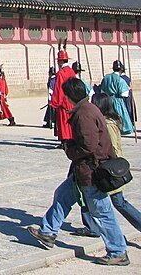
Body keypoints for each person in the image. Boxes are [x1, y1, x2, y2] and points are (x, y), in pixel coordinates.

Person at [27, 78, 129, 266]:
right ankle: (48, 231)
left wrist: (70, 151)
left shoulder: (84, 114)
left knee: (102, 212)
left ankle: (118, 250)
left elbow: (89, 145)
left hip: (91, 170)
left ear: (69, 96)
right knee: (62, 195)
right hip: (83, 170)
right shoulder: (88, 109)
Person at [76, 93, 141, 236]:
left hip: (110, 169)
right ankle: (92, 227)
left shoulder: (108, 124)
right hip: (109, 167)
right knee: (89, 198)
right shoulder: (112, 120)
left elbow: (109, 147)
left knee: (119, 202)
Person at [49, 45, 77, 144]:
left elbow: (59, 89)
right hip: (72, 101)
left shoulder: (61, 73)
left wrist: (55, 102)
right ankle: (72, 138)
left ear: (60, 61)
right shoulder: (72, 72)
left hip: (64, 101)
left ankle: (65, 141)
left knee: (64, 121)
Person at [99, 61, 134, 135]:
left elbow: (102, 91)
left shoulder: (106, 78)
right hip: (117, 100)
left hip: (107, 100)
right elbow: (124, 94)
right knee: (119, 116)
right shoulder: (120, 80)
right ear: (121, 70)